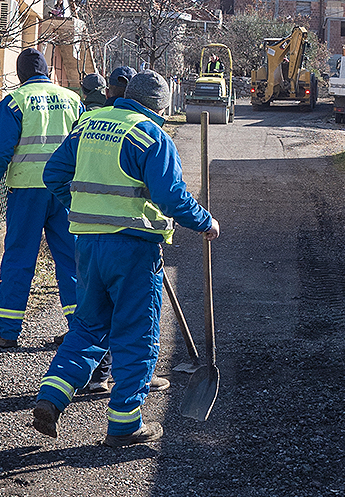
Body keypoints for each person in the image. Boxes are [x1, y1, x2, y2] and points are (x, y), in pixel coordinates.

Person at [32, 70, 219, 447]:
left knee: (87, 327)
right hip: (133, 247)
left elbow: (54, 175)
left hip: (87, 243)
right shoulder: (152, 136)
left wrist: (83, 209)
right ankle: (124, 424)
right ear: (161, 106)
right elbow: (171, 197)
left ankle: (51, 397)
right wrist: (205, 222)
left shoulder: (90, 124)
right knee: (136, 333)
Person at [0, 48, 82, 347]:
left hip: (26, 192)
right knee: (71, 260)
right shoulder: (73, 100)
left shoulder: (14, 102)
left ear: (20, 75)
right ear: (48, 71)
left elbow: (0, 152)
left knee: (19, 259)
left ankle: (9, 331)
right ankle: (79, 329)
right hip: (65, 191)